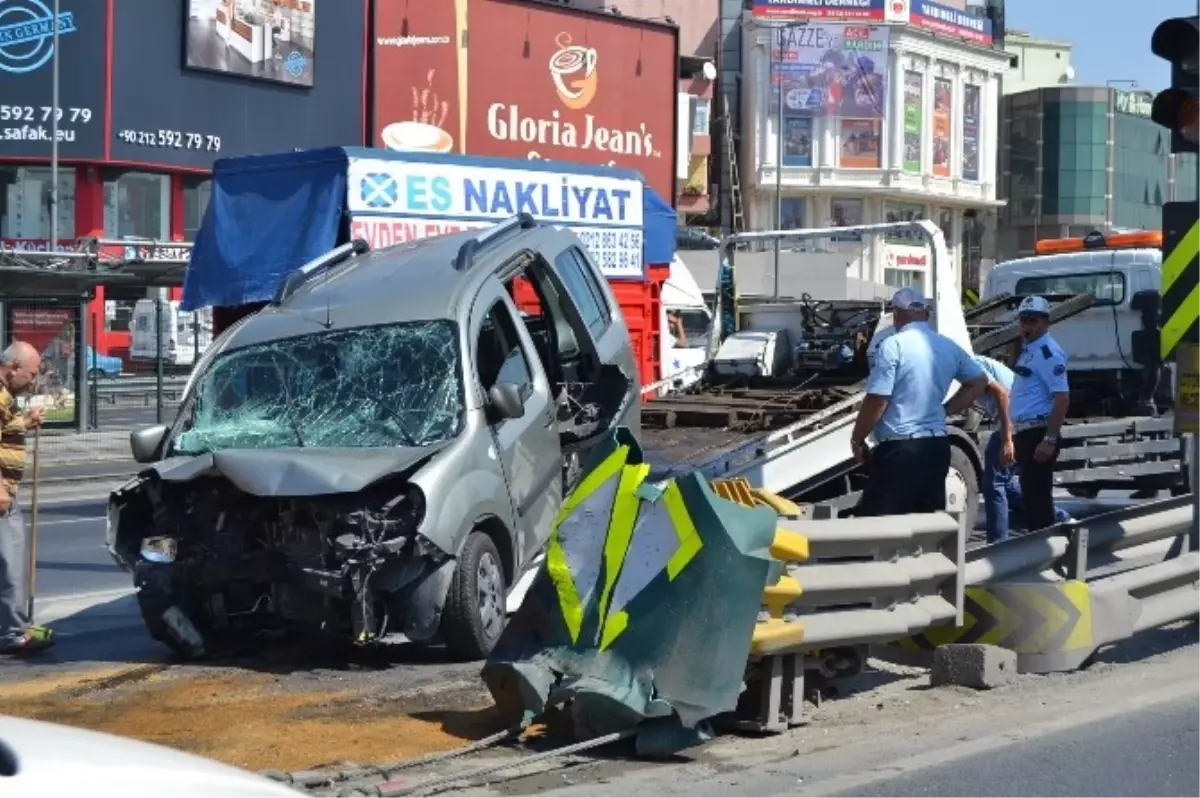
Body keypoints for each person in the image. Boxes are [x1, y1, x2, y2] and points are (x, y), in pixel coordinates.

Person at [851, 288, 988, 516]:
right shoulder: (948, 345)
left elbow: (878, 400)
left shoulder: (892, 345)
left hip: (901, 449)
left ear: (897, 313)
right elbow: (978, 381)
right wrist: (944, 411)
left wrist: (857, 439)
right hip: (936, 447)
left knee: (883, 526)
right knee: (926, 525)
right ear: (924, 313)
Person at [974, 354, 1071, 544]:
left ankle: (998, 545)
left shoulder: (971, 366)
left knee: (995, 483)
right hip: (1021, 420)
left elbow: (1003, 395)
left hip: (1017, 421)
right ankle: (1059, 517)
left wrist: (1007, 439)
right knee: (1008, 483)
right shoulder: (967, 362)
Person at [0, 341, 53, 655]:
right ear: (14, 368)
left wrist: (26, 422)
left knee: (12, 560)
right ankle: (12, 632)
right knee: (8, 565)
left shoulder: (6, 396)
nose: (33, 381)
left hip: (8, 493)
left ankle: (15, 625)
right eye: (31, 374)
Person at [1008, 296, 1071, 533]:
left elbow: (1062, 398)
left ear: (1045, 322)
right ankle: (1039, 545)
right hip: (1026, 431)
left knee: (1038, 499)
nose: (1027, 326)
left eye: (1032, 321)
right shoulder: (1028, 349)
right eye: (1023, 320)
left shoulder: (1048, 353)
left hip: (1039, 432)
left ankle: (1044, 549)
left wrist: (1049, 439)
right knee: (1031, 496)